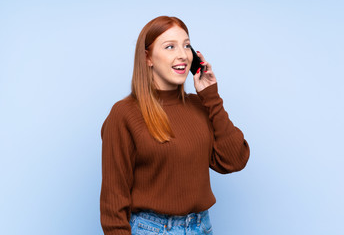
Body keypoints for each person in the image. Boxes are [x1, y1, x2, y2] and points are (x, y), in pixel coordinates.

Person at [100, 15, 250, 235]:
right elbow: (113, 203)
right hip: (151, 229)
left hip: (201, 227)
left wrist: (211, 96)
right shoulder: (125, 114)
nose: (182, 54)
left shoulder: (200, 105)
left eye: (186, 45)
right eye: (170, 46)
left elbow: (235, 160)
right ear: (147, 58)